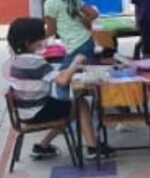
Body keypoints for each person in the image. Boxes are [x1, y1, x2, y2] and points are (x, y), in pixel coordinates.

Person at [7, 17, 103, 159]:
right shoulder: (35, 62)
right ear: (29, 43)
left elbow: (54, 75)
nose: (44, 40)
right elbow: (62, 81)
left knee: (66, 107)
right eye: (40, 38)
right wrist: (74, 64)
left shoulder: (16, 61)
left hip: (26, 111)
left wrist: (67, 70)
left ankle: (43, 145)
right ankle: (93, 147)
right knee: (80, 103)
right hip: (37, 111)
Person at [41, 0, 98, 69]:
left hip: (75, 46)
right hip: (87, 40)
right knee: (84, 73)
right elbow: (93, 13)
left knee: (62, 78)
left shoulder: (49, 3)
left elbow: (51, 31)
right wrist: (85, 22)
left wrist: (34, 38)